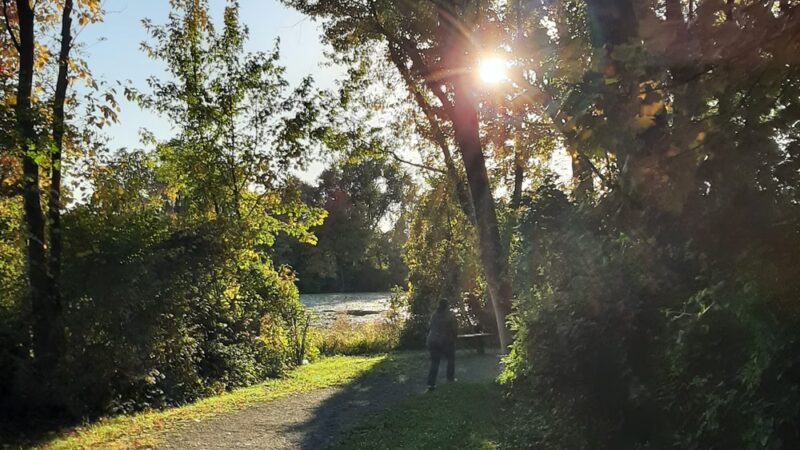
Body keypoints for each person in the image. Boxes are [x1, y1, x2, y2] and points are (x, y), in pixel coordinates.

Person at [426, 298, 458, 391]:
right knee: (451, 359)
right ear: (447, 306)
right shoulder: (450, 315)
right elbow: (454, 329)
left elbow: (430, 327)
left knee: (434, 362)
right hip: (445, 340)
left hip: (432, 340)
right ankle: (450, 378)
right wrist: (454, 338)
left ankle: (431, 384)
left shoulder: (434, 315)